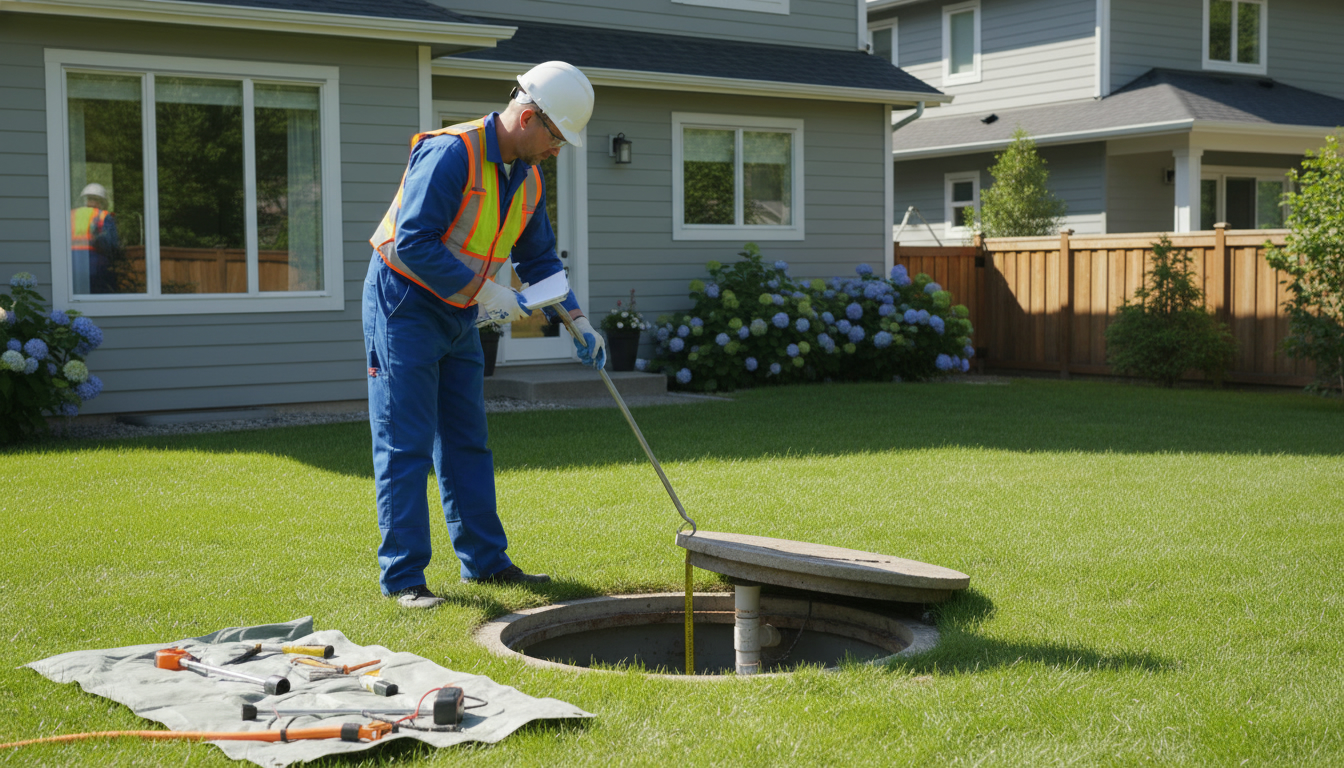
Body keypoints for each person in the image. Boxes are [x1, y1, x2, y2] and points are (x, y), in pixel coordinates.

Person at [363, 61, 606, 609]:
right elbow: (411, 244)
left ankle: (487, 564)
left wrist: (578, 320)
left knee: (466, 438)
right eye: (556, 138)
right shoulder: (453, 152)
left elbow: (539, 260)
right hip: (404, 303)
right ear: (527, 117)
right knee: (406, 440)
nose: (557, 151)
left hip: (459, 310)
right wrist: (489, 292)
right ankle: (403, 580)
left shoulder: (529, 177)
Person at [71, 183, 121, 294]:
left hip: (71, 266)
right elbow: (112, 245)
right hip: (95, 266)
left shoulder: (71, 215)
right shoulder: (104, 216)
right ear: (102, 202)